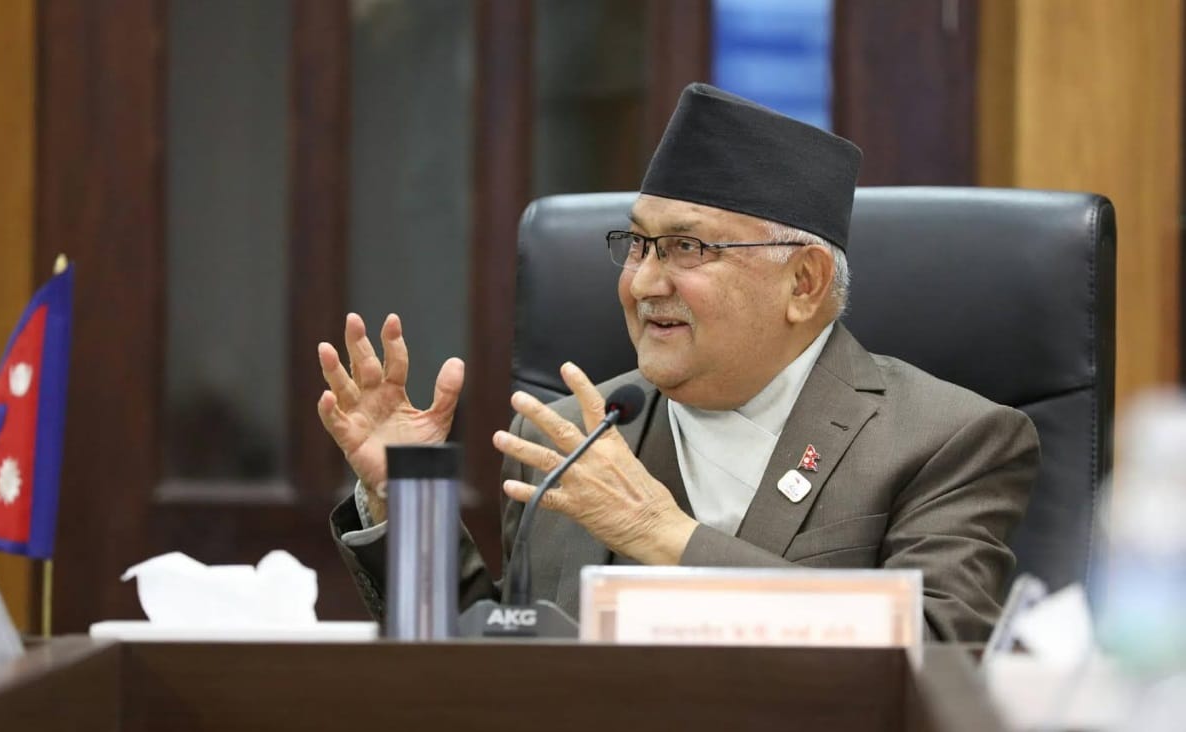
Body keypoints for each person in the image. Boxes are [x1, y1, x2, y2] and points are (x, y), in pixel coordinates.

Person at [320, 83, 1039, 641]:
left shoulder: (945, 439)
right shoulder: (571, 437)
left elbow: (938, 650)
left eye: (686, 249)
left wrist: (666, 538)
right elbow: (490, 662)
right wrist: (400, 498)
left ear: (804, 283)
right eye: (637, 245)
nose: (643, 283)